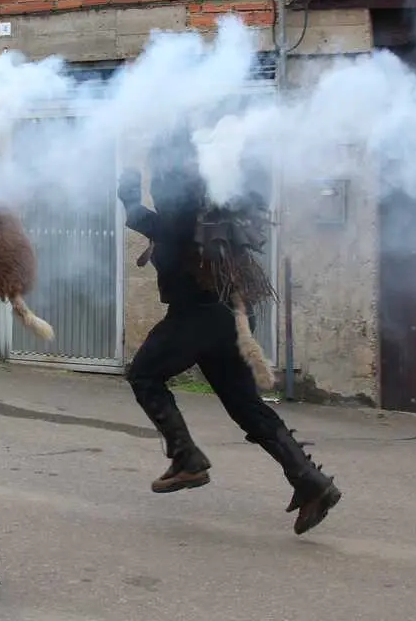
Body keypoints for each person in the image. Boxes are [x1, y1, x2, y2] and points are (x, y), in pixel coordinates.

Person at [118, 135, 342, 535]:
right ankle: (310, 481)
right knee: (247, 407)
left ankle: (186, 458)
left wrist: (132, 201)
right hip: (228, 316)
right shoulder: (207, 190)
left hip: (198, 316)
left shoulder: (181, 191)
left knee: (144, 374)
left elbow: (171, 229)